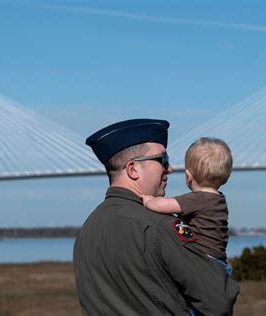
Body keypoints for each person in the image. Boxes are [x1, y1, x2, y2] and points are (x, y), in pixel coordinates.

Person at [73, 119, 239, 315]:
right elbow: (218, 301)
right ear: (133, 169)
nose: (169, 168)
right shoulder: (160, 227)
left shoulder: (87, 231)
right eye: (163, 160)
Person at [142, 137, 233, 277]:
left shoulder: (198, 199)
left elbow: (164, 205)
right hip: (220, 262)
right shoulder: (219, 199)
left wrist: (148, 200)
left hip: (204, 263)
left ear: (188, 176)